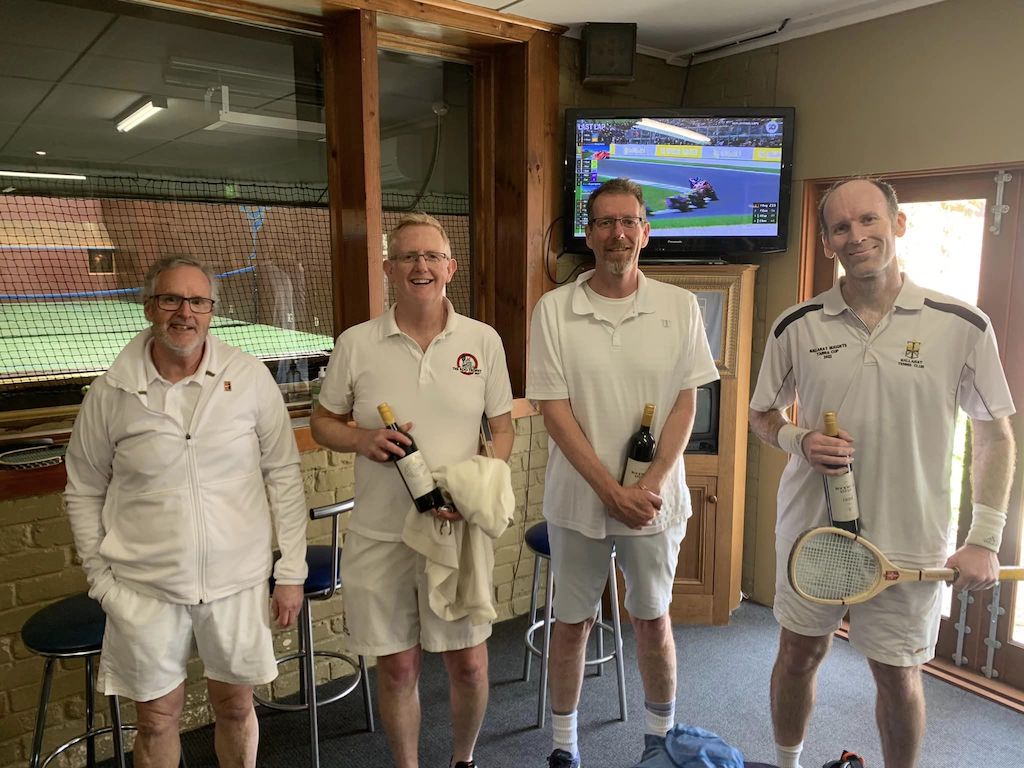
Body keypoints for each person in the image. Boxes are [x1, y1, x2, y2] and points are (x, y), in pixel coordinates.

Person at [748, 177, 1016, 768]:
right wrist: (800, 440)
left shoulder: (962, 324)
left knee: (898, 676)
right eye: (841, 227)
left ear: (898, 224)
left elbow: (995, 434)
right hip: (812, 534)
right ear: (826, 242)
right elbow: (761, 416)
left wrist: (984, 538)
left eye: (869, 220)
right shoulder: (797, 325)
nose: (857, 236)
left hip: (910, 537)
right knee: (797, 655)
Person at [65, 255, 308, 768]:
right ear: (148, 306)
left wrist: (290, 572)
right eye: (171, 299)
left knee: (236, 707)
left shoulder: (248, 377)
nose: (185, 312)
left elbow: (283, 475)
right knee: (156, 720)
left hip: (237, 581)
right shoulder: (110, 393)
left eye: (198, 301)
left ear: (212, 310)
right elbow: (83, 490)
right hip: (144, 589)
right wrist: (102, 582)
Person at [525, 177, 719, 768]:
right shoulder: (554, 310)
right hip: (578, 502)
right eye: (605, 223)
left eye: (628, 222)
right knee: (573, 624)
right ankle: (564, 747)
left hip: (654, 503)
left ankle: (660, 741)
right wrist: (610, 491)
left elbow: (686, 404)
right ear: (589, 234)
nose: (618, 234)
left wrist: (649, 484)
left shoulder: (679, 307)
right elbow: (554, 411)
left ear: (645, 232)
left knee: (652, 620)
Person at [310, 212, 515, 768]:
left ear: (450, 267)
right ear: (388, 269)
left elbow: (502, 430)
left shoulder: (483, 340)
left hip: (456, 532)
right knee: (398, 668)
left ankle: (463, 760)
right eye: (407, 257)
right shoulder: (356, 343)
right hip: (381, 534)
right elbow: (322, 423)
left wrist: (474, 489)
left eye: (431, 256)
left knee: (468, 664)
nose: (420, 266)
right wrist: (363, 439)